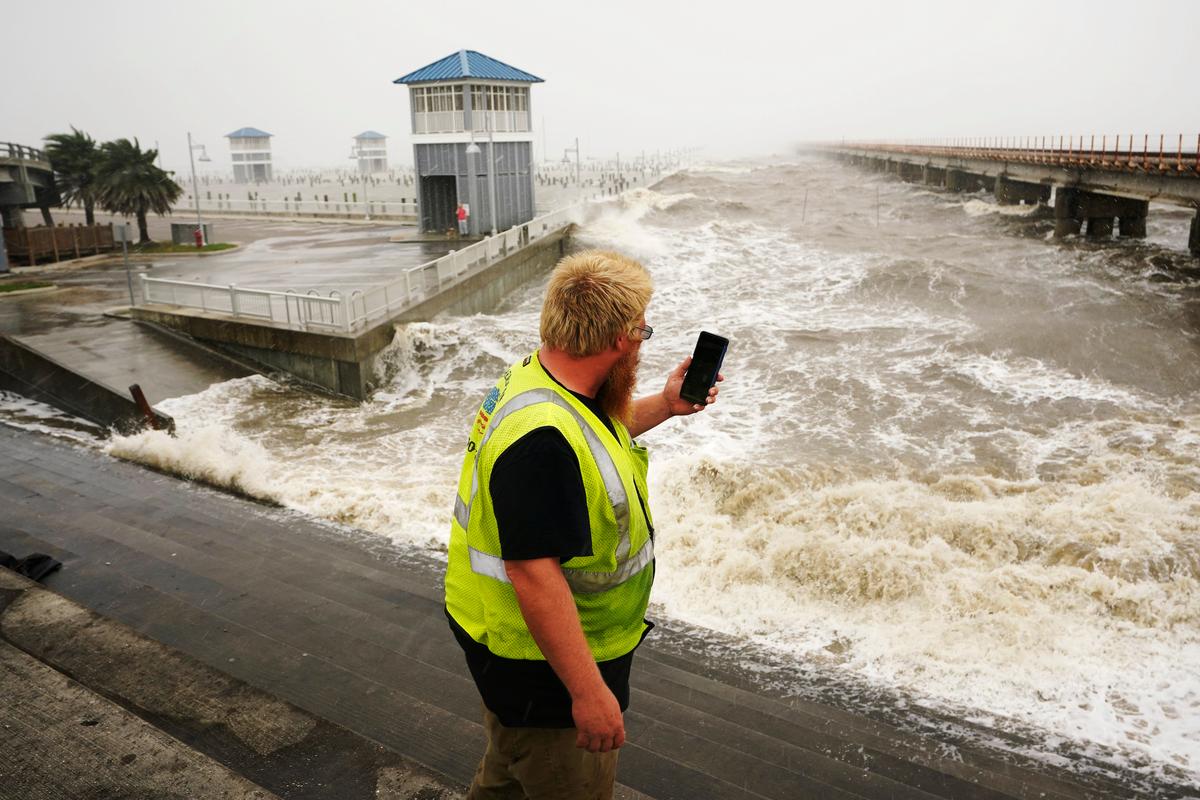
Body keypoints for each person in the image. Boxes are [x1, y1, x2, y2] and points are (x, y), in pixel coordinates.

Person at [445, 250, 724, 799]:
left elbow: (594, 434)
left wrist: (666, 405)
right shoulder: (541, 443)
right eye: (642, 329)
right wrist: (589, 694)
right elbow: (532, 574)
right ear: (620, 339)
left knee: (506, 772)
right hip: (544, 672)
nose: (643, 341)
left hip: (508, 647)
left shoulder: (542, 376)